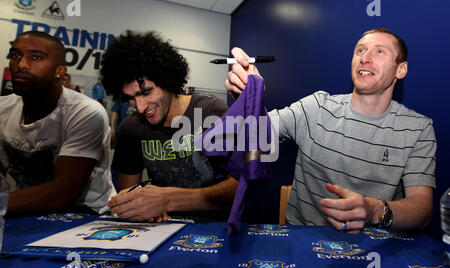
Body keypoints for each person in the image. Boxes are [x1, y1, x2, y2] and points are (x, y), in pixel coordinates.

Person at [225, 28, 436, 233]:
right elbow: (251, 133)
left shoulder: (418, 128)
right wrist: (248, 99)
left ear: (401, 69)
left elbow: (422, 210)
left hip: (376, 250)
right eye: (360, 50)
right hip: (303, 247)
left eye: (379, 51)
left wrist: (375, 211)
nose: (365, 58)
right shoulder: (316, 107)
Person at [101, 30, 238, 222]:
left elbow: (238, 186)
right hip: (161, 231)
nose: (139, 107)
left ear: (167, 80)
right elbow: (128, 195)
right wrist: (134, 206)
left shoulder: (211, 112)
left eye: (147, 92)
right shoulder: (131, 129)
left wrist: (170, 199)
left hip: (217, 229)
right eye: (131, 98)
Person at [0, 31, 115, 216]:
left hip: (85, 215)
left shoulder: (84, 111)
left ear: (59, 71)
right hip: (27, 214)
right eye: (15, 55)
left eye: (36, 57)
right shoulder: (3, 109)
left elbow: (64, 191)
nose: (21, 65)